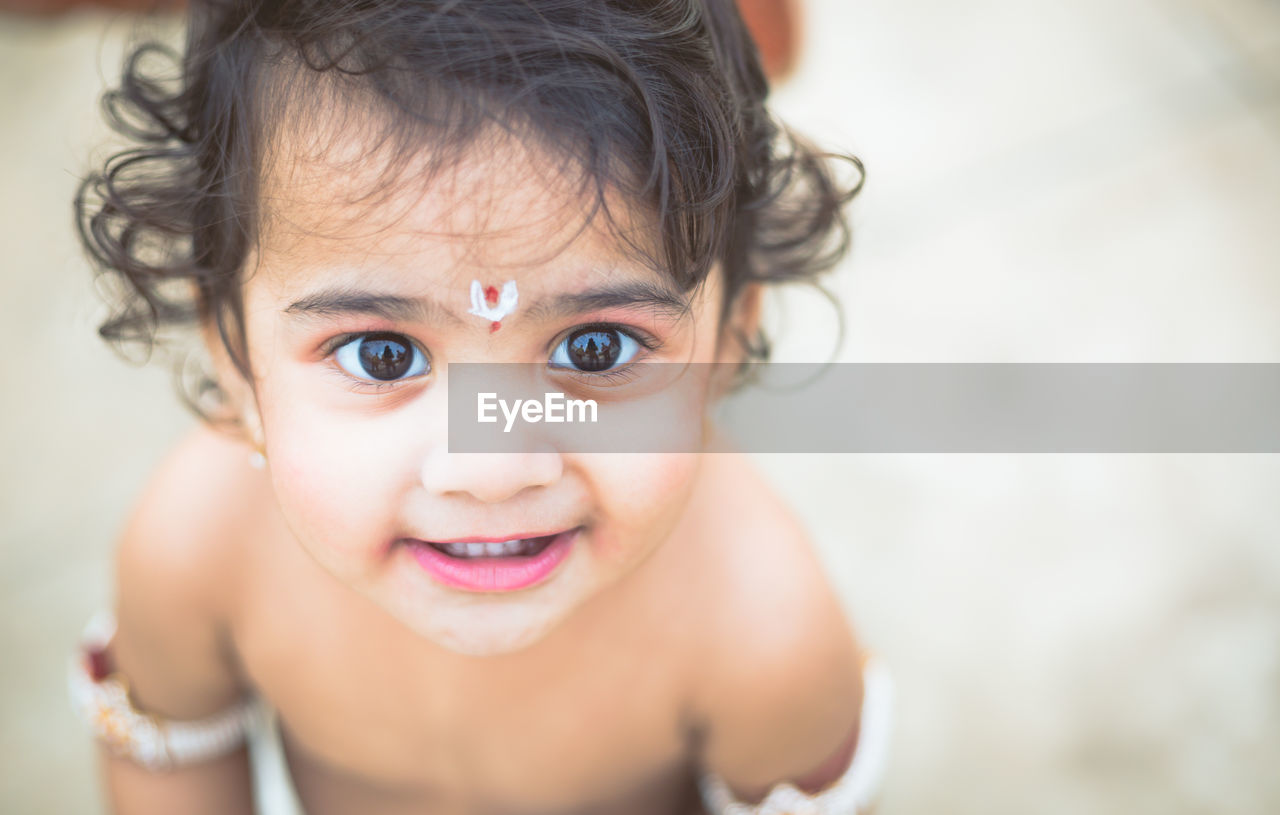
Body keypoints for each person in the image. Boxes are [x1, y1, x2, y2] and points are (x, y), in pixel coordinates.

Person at [69, 2, 889, 813]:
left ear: (727, 340)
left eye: (595, 348)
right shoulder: (198, 546)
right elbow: (165, 764)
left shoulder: (761, 630)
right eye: (383, 355)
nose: (491, 469)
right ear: (233, 355)